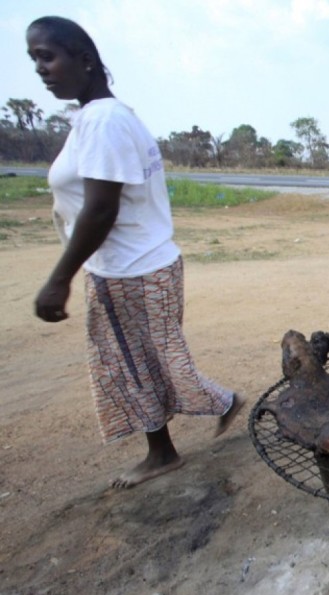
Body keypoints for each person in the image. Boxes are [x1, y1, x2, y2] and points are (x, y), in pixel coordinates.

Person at [27, 16, 244, 489]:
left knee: (138, 361)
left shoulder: (104, 120)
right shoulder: (98, 117)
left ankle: (189, 429)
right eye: (34, 59)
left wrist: (59, 279)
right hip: (132, 267)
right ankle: (173, 440)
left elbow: (101, 209)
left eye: (47, 56)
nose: (40, 69)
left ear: (85, 60)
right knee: (139, 360)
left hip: (131, 270)